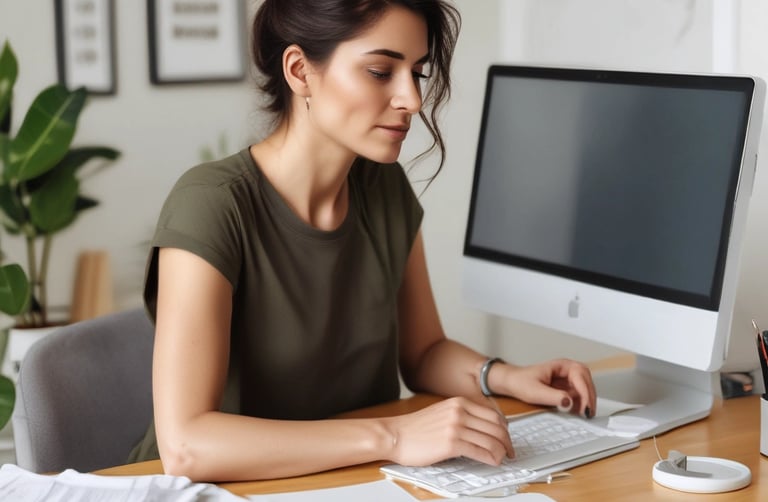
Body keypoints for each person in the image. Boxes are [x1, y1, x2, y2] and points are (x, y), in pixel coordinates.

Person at [128, 0, 597, 482]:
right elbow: (186, 446)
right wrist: (394, 436)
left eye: (416, 72)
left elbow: (424, 353)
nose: (411, 100)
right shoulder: (211, 204)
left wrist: (504, 376)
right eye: (379, 71)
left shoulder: (383, 187)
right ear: (299, 71)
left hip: (345, 480)